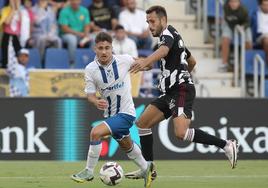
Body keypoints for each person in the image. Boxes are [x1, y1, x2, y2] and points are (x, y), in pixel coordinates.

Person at [125, 6, 239, 181]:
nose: (149, 26)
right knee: (142, 123)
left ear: (163, 20)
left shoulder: (168, 33)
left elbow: (163, 52)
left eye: (152, 21)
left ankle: (226, 145)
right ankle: (148, 168)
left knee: (180, 133)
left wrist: (181, 78)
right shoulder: (173, 40)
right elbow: (191, 60)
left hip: (181, 89)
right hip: (171, 91)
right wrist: (138, 63)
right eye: (147, 22)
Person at [70, 32, 154, 188]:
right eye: (100, 48)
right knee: (126, 144)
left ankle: (89, 171)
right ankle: (146, 168)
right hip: (110, 115)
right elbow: (90, 95)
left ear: (111, 48)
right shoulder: (90, 69)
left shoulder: (125, 60)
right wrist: (96, 101)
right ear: (95, 49)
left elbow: (149, 65)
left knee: (95, 132)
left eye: (107, 48)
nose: (104, 51)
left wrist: (146, 64)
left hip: (126, 113)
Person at [220, 0, 252, 72]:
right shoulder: (226, 7)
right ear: (229, 2)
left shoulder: (244, 9)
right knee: (225, 39)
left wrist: (242, 27)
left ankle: (245, 64)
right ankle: (224, 63)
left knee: (249, 42)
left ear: (239, 3)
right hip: (230, 25)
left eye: (235, 2)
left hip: (243, 25)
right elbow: (226, 19)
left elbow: (248, 22)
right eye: (232, 2)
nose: (233, 4)